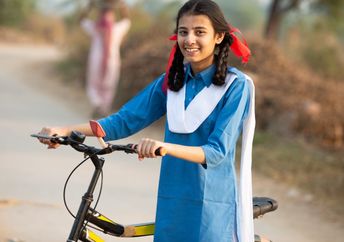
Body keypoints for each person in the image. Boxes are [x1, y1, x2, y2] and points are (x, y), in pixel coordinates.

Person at [37, 0, 256, 241]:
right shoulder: (172, 82)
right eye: (183, 32)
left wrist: (164, 147)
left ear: (219, 37)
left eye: (199, 32)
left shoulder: (236, 87)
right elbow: (124, 121)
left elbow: (217, 152)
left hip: (212, 202)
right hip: (172, 198)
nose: (189, 40)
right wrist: (65, 131)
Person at [80, 0, 131, 118]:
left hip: (96, 61)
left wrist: (89, 6)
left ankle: (98, 106)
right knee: (108, 86)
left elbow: (82, 20)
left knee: (95, 85)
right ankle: (102, 108)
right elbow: (127, 20)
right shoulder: (116, 29)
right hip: (111, 62)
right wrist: (122, 7)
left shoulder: (95, 28)